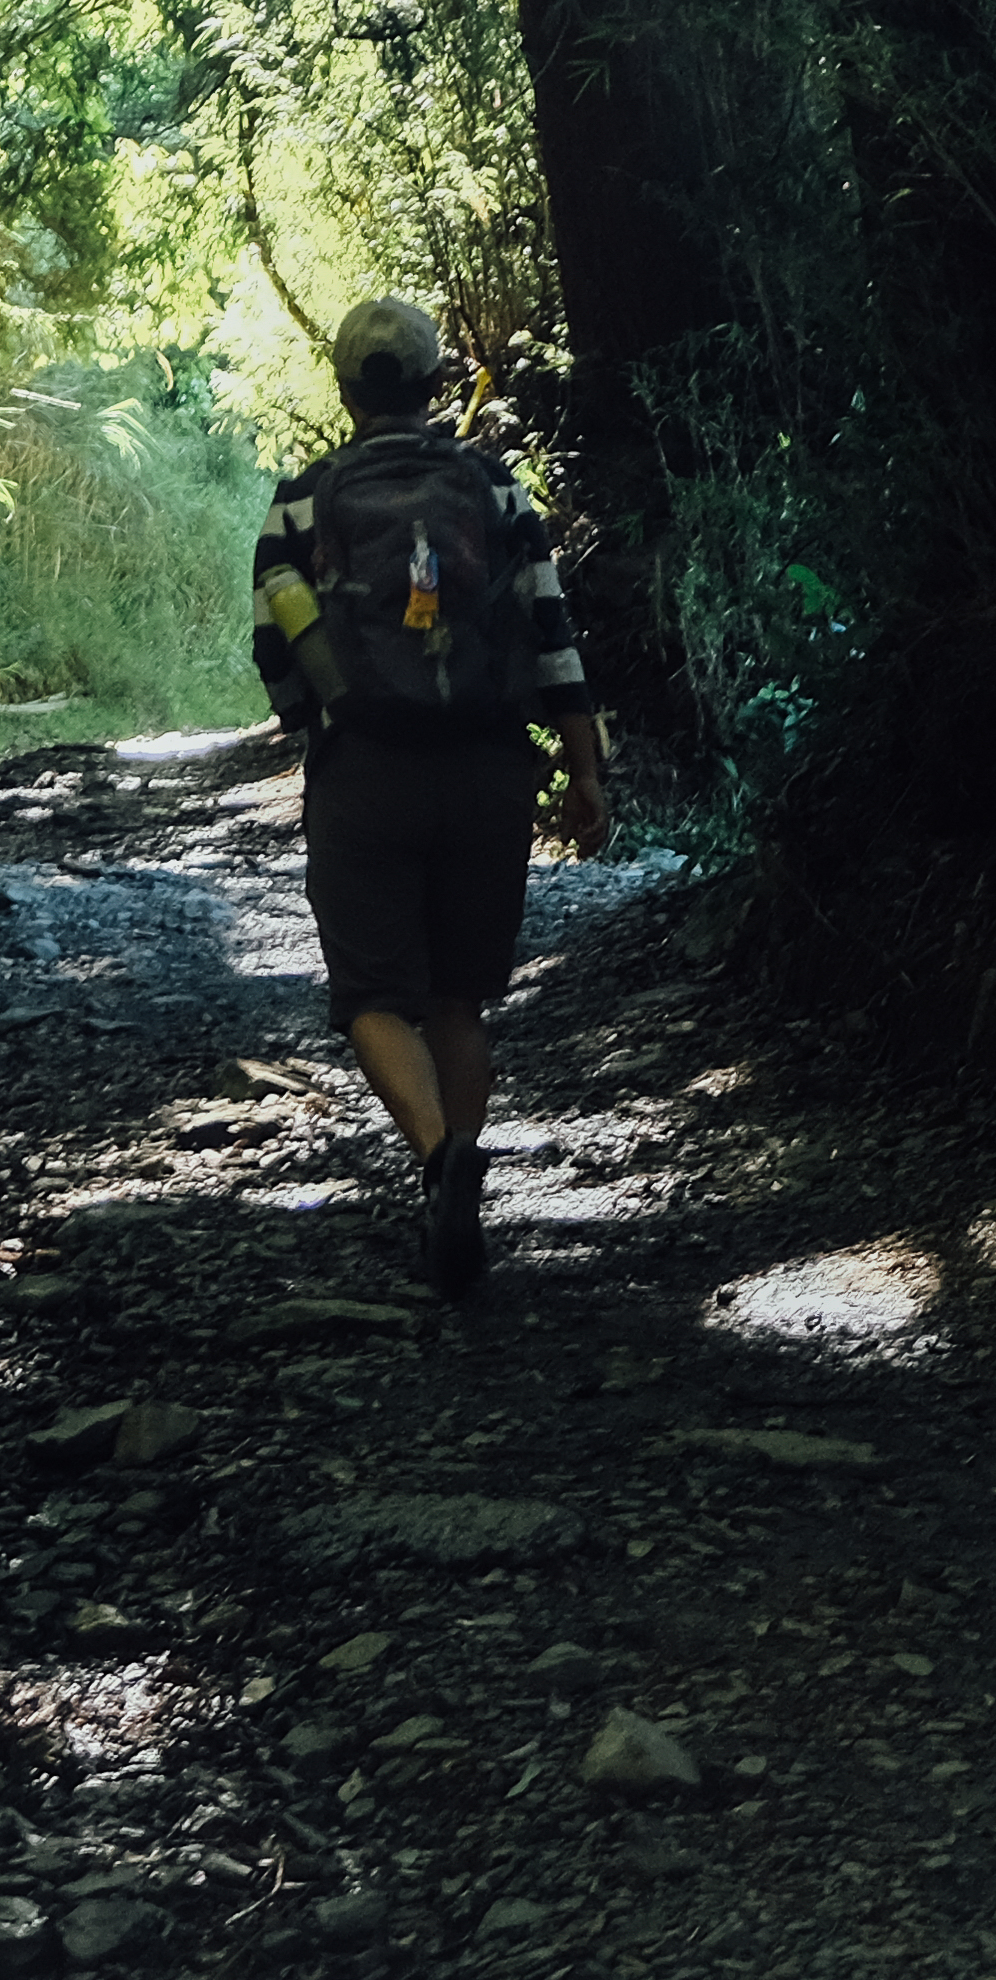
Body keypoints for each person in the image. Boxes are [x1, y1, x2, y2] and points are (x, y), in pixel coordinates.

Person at [249, 294, 611, 1299]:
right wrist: (582, 767)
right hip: (489, 766)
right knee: (459, 995)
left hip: (365, 765)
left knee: (372, 995)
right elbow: (552, 631)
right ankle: (461, 1163)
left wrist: (312, 730)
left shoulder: (304, 498)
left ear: (345, 387)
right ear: (434, 381)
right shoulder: (493, 486)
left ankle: (442, 1159)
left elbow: (273, 645)